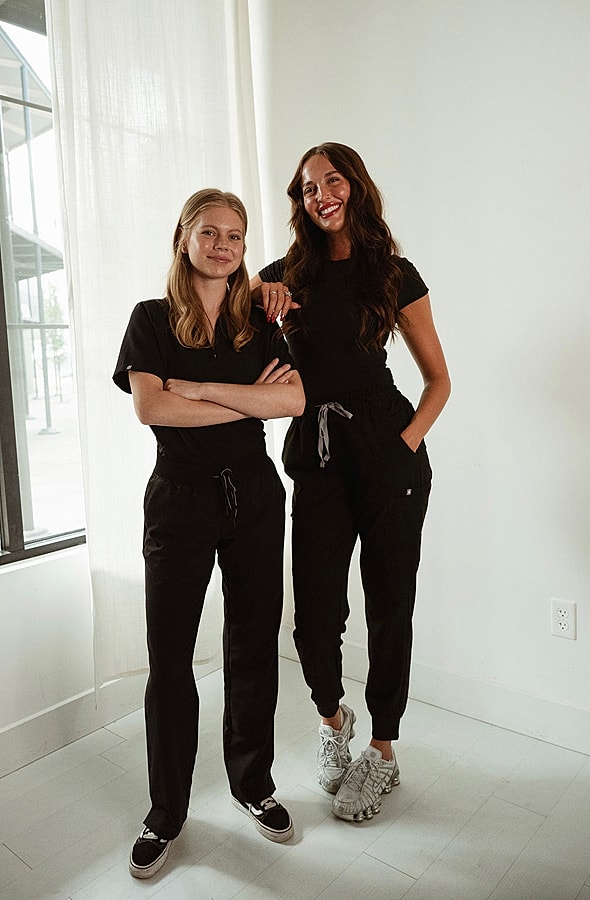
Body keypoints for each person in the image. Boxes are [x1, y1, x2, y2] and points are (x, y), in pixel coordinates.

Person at [251, 143, 451, 823]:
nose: (321, 195)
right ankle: (335, 720)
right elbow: (243, 348)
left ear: (355, 187)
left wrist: (404, 447)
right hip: (317, 451)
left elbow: (438, 381)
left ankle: (385, 753)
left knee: (389, 602)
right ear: (299, 202)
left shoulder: (394, 274)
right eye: (307, 188)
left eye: (331, 181)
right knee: (312, 613)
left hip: (388, 447)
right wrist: (256, 293)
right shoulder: (282, 276)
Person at [113, 189, 305, 878]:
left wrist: (198, 390)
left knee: (253, 645)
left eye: (235, 235)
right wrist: (232, 398)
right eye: (209, 232)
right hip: (180, 501)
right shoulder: (151, 319)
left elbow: (292, 399)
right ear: (184, 237)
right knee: (170, 659)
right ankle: (166, 813)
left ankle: (253, 785)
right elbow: (149, 408)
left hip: (254, 496)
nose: (223, 244)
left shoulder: (259, 317)